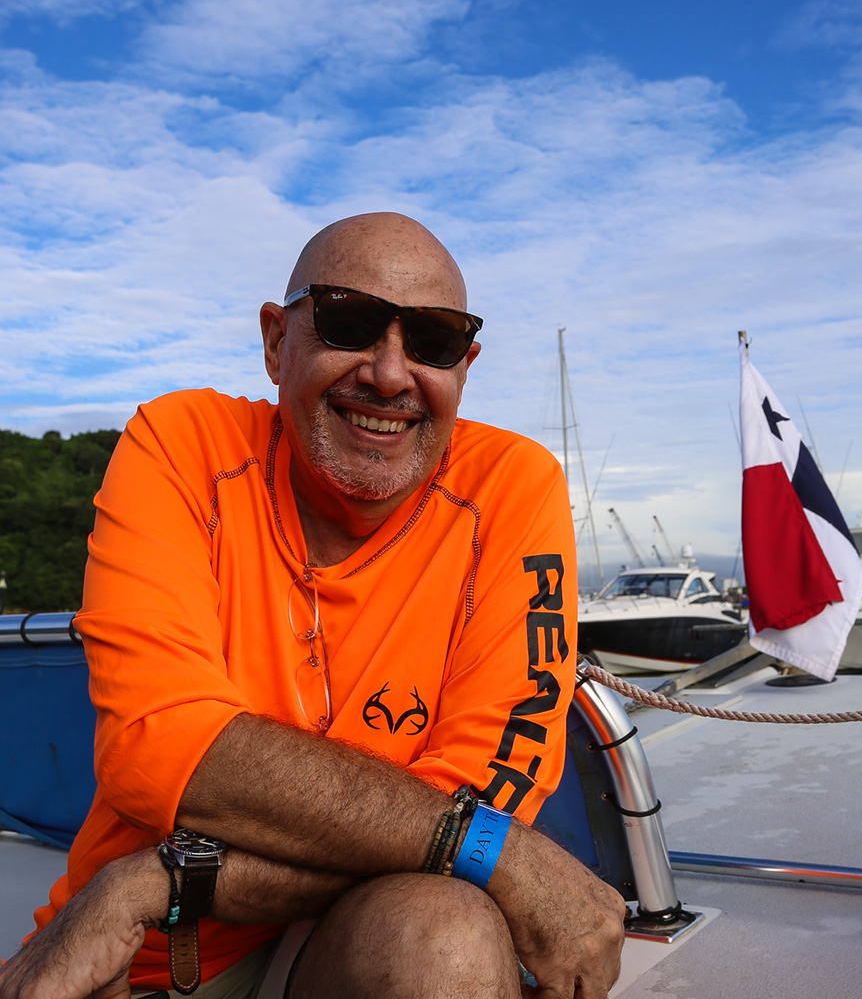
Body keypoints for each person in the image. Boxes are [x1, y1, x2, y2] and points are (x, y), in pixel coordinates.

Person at [0, 213, 625, 999]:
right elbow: (163, 749)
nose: (391, 375)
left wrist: (156, 882)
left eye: (432, 340)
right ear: (275, 341)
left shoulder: (513, 490)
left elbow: (474, 806)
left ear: (464, 367)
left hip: (277, 928)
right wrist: (486, 848)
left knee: (447, 936)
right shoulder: (181, 444)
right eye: (350, 321)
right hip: (137, 963)